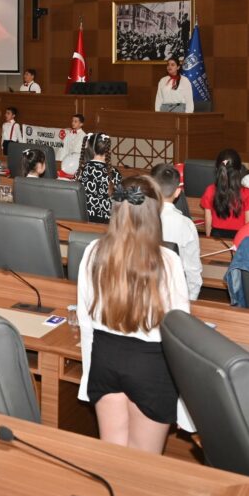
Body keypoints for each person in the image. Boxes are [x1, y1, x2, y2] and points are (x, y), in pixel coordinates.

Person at [77, 174, 191, 453]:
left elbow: (85, 320)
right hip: (151, 365)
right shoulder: (168, 261)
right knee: (142, 464)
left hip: (105, 357)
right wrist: (185, 403)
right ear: (154, 212)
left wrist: (88, 376)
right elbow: (180, 333)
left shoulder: (93, 252)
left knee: (113, 458)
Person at [151, 163, 203, 300]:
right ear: (178, 191)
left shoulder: (137, 219)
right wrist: (191, 299)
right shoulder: (186, 225)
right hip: (174, 295)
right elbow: (193, 270)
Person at [200, 148, 249, 237]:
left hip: (216, 236)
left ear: (217, 168)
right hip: (239, 237)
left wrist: (209, 239)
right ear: (240, 169)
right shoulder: (247, 193)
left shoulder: (210, 190)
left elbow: (208, 221)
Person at [79, 133, 123, 223]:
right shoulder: (114, 173)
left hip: (83, 220)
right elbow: (120, 200)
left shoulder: (81, 170)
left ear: (89, 148)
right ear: (108, 150)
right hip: (106, 222)